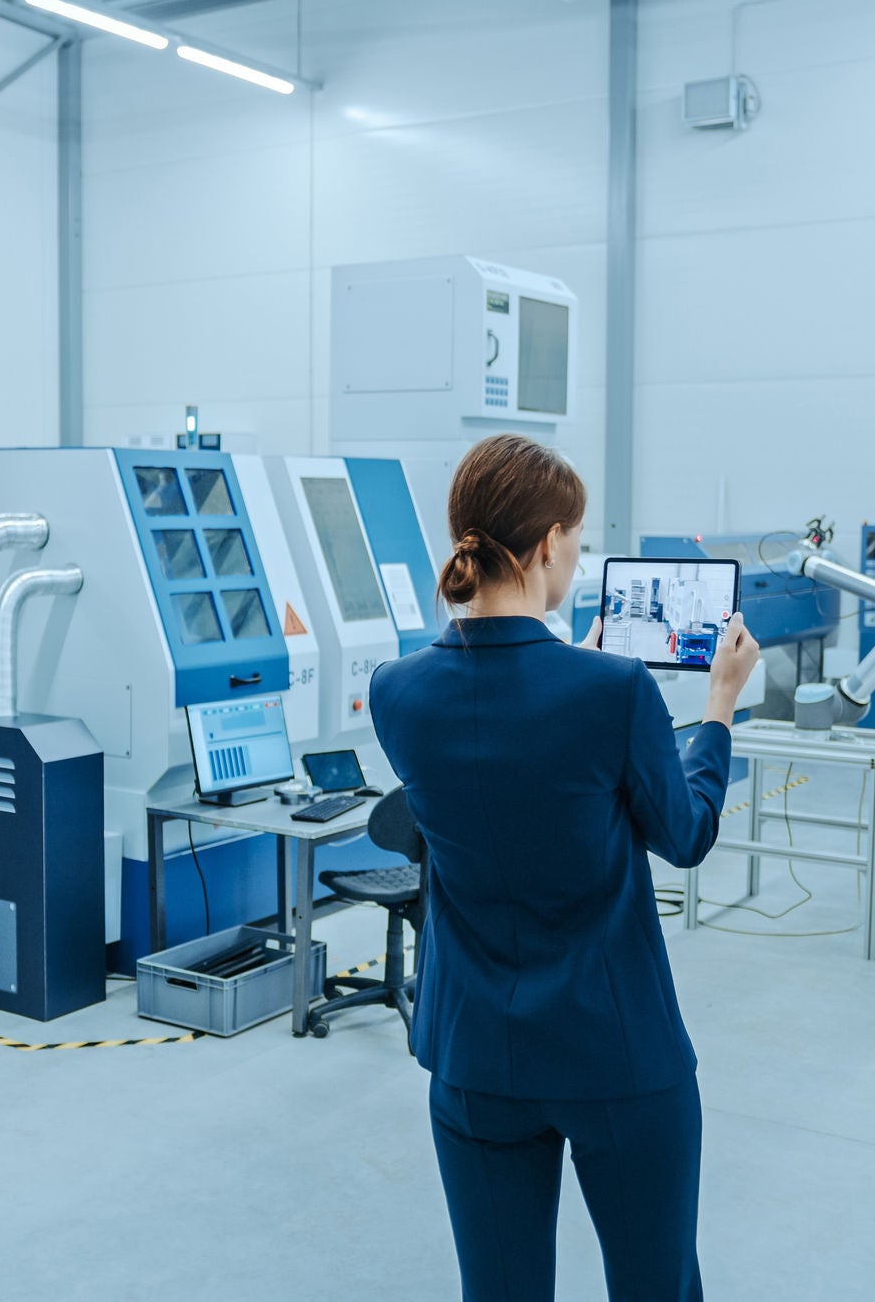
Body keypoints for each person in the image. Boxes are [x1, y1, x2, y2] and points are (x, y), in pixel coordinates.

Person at [369, 433, 760, 1302]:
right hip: (614, 1053)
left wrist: (555, 654)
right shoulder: (613, 692)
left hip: (475, 1058)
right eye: (576, 546)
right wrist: (719, 707)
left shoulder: (397, 694)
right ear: (547, 544)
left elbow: (487, 730)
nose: (577, 563)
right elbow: (685, 831)